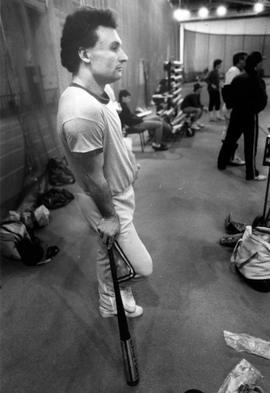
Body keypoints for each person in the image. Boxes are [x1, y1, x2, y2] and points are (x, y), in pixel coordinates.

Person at [57, 7, 153, 318]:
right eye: (113, 47)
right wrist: (110, 217)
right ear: (84, 53)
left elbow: (112, 135)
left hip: (119, 193)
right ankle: (111, 292)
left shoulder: (102, 91)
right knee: (142, 267)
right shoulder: (81, 111)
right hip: (108, 202)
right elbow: (93, 178)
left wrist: (128, 161)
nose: (124, 56)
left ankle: (112, 296)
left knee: (107, 250)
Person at [217, 51, 268, 181]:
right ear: (256, 65)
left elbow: (227, 92)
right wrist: (253, 110)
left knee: (230, 139)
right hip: (250, 116)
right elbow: (263, 100)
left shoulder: (238, 78)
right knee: (250, 146)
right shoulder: (257, 80)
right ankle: (251, 174)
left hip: (236, 114)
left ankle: (221, 163)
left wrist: (233, 105)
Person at [222, 52, 247, 166]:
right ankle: (231, 157)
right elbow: (228, 90)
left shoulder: (237, 71)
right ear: (239, 60)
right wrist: (230, 106)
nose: (246, 62)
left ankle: (228, 157)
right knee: (232, 133)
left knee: (230, 132)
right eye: (244, 60)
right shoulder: (233, 71)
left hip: (232, 106)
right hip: (231, 107)